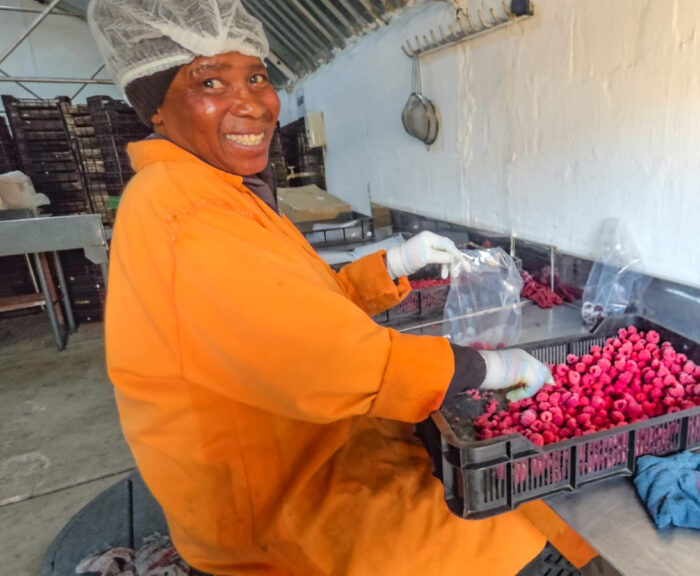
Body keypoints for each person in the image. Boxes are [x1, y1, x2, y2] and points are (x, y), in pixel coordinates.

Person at [87, 1, 598, 575]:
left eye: (256, 76)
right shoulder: (183, 211)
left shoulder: (215, 191)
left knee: (511, 508)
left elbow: (290, 306)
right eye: (210, 82)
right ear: (155, 109)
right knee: (494, 539)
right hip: (282, 505)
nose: (251, 102)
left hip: (312, 449)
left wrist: (393, 264)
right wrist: (490, 369)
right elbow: (324, 357)